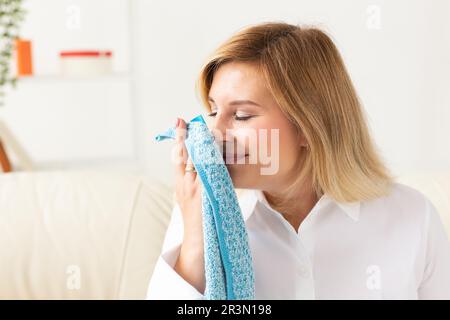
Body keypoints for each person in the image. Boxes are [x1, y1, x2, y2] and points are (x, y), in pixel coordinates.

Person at [147, 22, 450, 299]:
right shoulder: (196, 213)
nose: (214, 133)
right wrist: (197, 241)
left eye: (241, 115)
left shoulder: (413, 218)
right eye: (213, 111)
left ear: (308, 127)